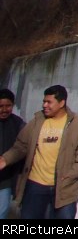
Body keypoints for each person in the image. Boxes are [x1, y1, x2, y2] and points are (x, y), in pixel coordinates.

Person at [0, 85, 78, 219]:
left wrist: (71, 175)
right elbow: (20, 146)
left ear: (62, 103)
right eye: (44, 101)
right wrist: (5, 159)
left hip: (64, 187)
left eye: (49, 102)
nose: (44, 105)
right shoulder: (37, 121)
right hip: (35, 186)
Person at [0, 89, 25, 219]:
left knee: (2, 213)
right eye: (1, 106)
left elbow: (23, 148)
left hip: (6, 179)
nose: (4, 110)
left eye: (8, 106)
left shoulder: (18, 124)